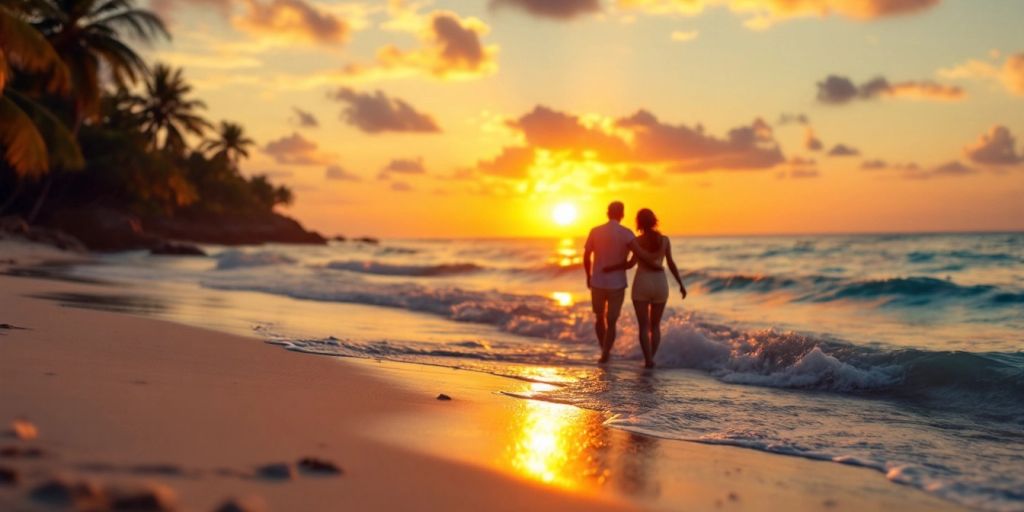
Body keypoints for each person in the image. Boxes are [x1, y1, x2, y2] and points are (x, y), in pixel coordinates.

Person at [604, 208, 686, 369]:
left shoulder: (638, 241)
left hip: (642, 282)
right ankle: (651, 359)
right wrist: (681, 285)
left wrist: (611, 268)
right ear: (655, 221)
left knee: (643, 326)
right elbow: (671, 263)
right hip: (660, 283)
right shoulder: (665, 240)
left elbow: (630, 264)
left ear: (639, 223)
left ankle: (648, 359)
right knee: (655, 326)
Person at [584, 201, 648, 364]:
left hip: (597, 281)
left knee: (599, 318)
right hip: (617, 283)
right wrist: (622, 266)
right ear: (622, 214)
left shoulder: (595, 231)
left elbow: (586, 255)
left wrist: (588, 276)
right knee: (611, 321)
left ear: (607, 213)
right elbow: (637, 256)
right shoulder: (627, 233)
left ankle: (603, 349)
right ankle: (606, 351)